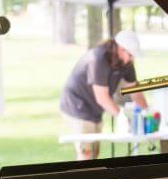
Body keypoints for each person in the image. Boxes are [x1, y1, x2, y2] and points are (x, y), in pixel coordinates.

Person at [59, 29, 148, 160]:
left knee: (95, 153)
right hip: (77, 106)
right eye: (130, 54)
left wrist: (147, 112)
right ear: (120, 49)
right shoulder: (98, 58)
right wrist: (122, 116)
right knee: (86, 153)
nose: (131, 59)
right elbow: (102, 98)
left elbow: (135, 90)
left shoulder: (126, 62)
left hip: (95, 110)